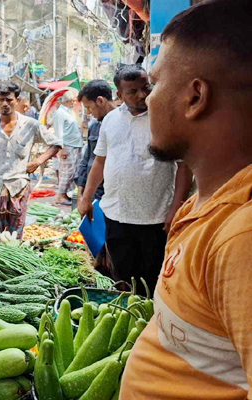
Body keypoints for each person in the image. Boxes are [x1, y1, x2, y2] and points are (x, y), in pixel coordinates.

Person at [122, 1, 252, 398]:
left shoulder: (242, 237)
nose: (147, 99)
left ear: (196, 97)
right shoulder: (209, 208)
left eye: (155, 84)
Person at [78, 64, 193, 291]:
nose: (142, 95)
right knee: (122, 276)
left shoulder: (166, 118)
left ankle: (151, 321)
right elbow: (99, 161)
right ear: (119, 95)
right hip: (116, 215)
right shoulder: (110, 121)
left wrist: (175, 209)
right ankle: (127, 319)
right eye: (133, 92)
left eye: (146, 88)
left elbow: (184, 167)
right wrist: (86, 197)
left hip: (156, 219)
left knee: (154, 279)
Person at [0, 81, 62, 237]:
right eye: (1, 99)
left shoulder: (30, 125)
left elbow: (56, 144)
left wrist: (38, 161)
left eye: (9, 99)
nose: (5, 103)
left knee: (14, 237)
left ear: (16, 100)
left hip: (18, 190)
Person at [76, 80, 115, 201]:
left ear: (100, 101)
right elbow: (86, 159)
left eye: (88, 107)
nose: (88, 112)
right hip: (93, 193)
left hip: (110, 194)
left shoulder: (121, 124)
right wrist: (80, 193)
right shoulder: (94, 127)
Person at [53, 91, 84, 205]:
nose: (74, 103)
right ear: (68, 101)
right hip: (67, 146)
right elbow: (58, 132)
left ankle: (67, 194)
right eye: (73, 101)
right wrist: (61, 149)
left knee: (75, 172)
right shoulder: (60, 113)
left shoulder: (70, 112)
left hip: (76, 145)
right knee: (67, 172)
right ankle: (60, 196)